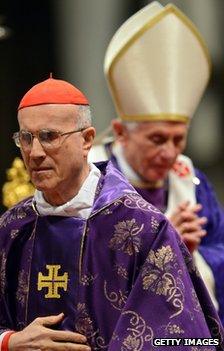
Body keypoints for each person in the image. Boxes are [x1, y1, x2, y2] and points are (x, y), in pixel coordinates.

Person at [0, 77, 223, 351]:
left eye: (50, 137)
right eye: (26, 138)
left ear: (87, 140)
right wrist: (9, 341)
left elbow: (181, 338)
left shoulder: (141, 228)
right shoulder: (12, 229)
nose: (34, 152)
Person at [90, 1, 224, 325]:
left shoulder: (191, 181)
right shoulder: (90, 179)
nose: (170, 152)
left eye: (179, 139)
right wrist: (165, 241)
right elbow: (86, 269)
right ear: (121, 132)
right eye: (156, 139)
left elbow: (218, 253)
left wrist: (192, 257)